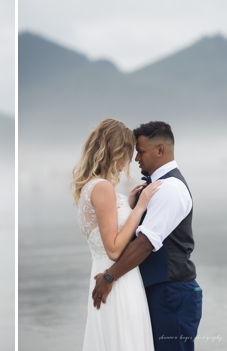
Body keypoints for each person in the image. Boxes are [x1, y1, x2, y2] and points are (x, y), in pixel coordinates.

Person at [92, 121, 202, 351]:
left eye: (140, 152)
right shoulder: (154, 187)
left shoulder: (170, 188)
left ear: (160, 150)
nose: (136, 159)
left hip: (172, 293)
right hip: (161, 291)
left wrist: (109, 277)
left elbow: (145, 244)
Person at [73, 118, 160, 350]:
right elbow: (112, 249)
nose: (127, 161)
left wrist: (128, 206)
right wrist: (140, 207)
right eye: (126, 153)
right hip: (117, 281)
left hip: (105, 273)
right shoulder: (102, 188)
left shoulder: (90, 186)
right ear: (112, 148)